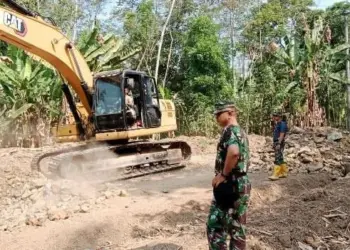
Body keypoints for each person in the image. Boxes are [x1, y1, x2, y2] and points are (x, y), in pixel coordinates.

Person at [207, 101, 251, 250]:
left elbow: (234, 152)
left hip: (230, 184)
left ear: (230, 113)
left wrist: (223, 175)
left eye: (219, 114)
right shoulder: (241, 132)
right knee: (237, 228)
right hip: (241, 184)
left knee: (215, 227)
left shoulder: (230, 131)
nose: (216, 117)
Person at [269, 111, 288, 181]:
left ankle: (276, 174)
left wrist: (279, 143)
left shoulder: (282, 124)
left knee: (277, 158)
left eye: (275, 116)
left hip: (279, 142)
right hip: (277, 142)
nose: (273, 117)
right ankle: (284, 172)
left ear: (279, 117)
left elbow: (282, 134)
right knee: (280, 157)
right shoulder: (278, 124)